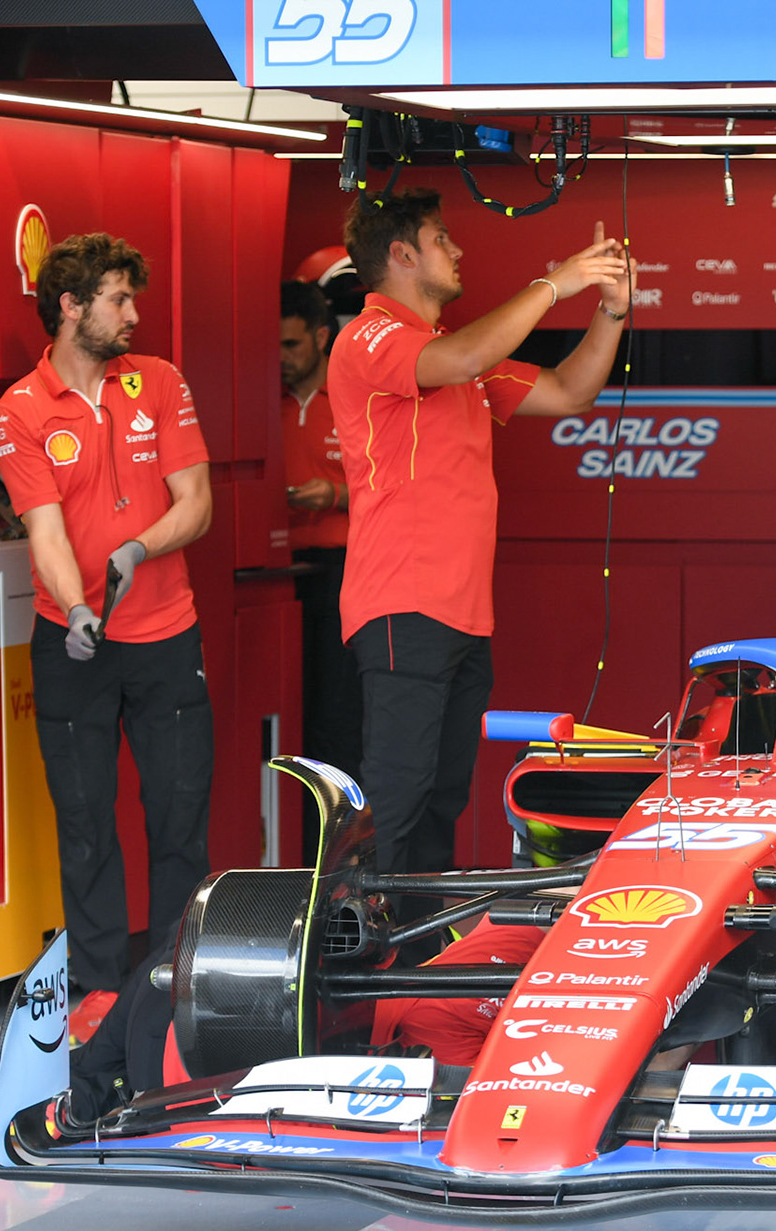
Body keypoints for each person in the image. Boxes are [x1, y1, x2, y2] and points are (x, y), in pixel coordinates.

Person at [330, 188, 630, 888]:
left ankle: (418, 968)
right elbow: (464, 360)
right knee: (398, 808)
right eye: (441, 238)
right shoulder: (370, 336)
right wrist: (555, 284)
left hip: (462, 614)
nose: (457, 250)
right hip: (402, 604)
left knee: (442, 805)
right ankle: (361, 976)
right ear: (402, 255)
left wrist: (610, 308)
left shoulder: (446, 351)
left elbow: (570, 391)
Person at [0, 232, 214, 1026]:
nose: (133, 312)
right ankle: (103, 994)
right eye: (118, 298)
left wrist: (139, 546)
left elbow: (196, 502)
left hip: (166, 635)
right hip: (72, 642)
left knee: (178, 817)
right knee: (84, 822)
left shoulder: (158, 382)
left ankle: (175, 986)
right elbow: (45, 534)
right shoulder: (19, 408)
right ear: (70, 306)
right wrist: (79, 608)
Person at [281, 279, 363, 858]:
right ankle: (289, 854)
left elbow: (400, 485)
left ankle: (337, 859)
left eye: (290, 345)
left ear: (320, 335)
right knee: (290, 723)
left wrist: (333, 494)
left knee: (339, 723)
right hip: (272, 579)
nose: (281, 359)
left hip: (343, 572)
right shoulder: (258, 400)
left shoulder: (354, 394)